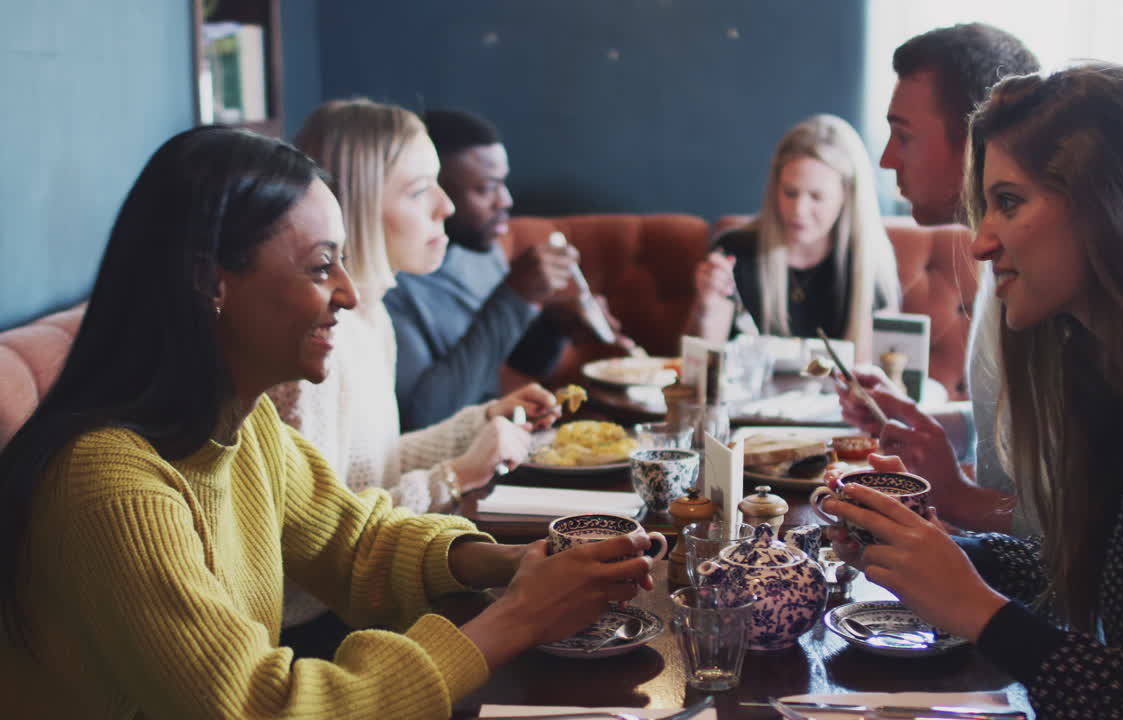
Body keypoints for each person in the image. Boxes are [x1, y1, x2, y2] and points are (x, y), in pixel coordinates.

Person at [0, 126, 655, 718]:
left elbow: (358, 543)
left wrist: (517, 562)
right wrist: (518, 617)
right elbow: (262, 708)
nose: (348, 291)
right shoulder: (108, 485)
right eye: (320, 265)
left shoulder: (244, 426)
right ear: (211, 283)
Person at [823, 62, 1123, 718]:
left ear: (1116, 206)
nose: (980, 243)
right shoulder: (1118, 374)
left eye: (1009, 202)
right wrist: (940, 554)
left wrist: (981, 612)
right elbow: (1087, 577)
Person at [274, 98, 564, 658]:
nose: (447, 206)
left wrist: (477, 422)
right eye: (418, 190)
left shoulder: (371, 316)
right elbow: (324, 542)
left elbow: (370, 466)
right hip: (319, 628)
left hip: (359, 601)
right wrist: (455, 476)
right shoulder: (317, 348)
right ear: (350, 206)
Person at [839, 23, 1039, 534]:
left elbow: (1088, 529)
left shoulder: (1048, 285)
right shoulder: (997, 261)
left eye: (903, 135)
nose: (886, 158)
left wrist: (958, 497)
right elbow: (1020, 438)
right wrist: (927, 425)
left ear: (976, 139)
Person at [384, 109, 632, 431]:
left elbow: (507, 371)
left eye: (503, 183)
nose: (506, 200)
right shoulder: (392, 285)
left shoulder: (481, 250)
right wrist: (516, 296)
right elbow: (425, 415)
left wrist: (553, 327)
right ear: (433, 189)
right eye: (486, 188)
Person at [685, 113, 899, 363]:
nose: (798, 211)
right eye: (790, 193)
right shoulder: (736, 252)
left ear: (847, 197)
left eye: (816, 197)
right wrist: (706, 307)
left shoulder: (868, 266)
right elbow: (699, 370)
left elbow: (873, 376)